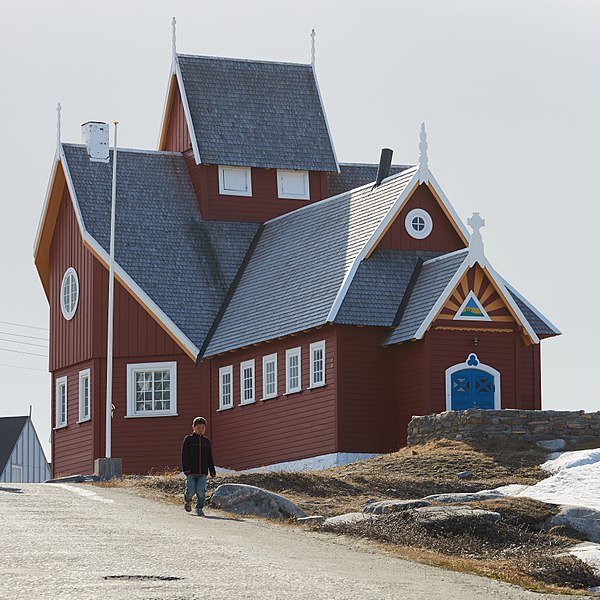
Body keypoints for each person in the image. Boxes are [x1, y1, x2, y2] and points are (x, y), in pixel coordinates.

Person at [181, 416, 216, 516]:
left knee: (201, 491)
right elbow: (184, 455)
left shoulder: (206, 441)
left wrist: (212, 470)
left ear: (205, 428)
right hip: (191, 471)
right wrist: (186, 469)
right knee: (191, 490)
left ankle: (199, 507)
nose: (200, 430)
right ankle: (188, 500)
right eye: (198, 428)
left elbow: (210, 457)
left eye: (202, 428)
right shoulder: (189, 439)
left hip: (203, 472)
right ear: (193, 427)